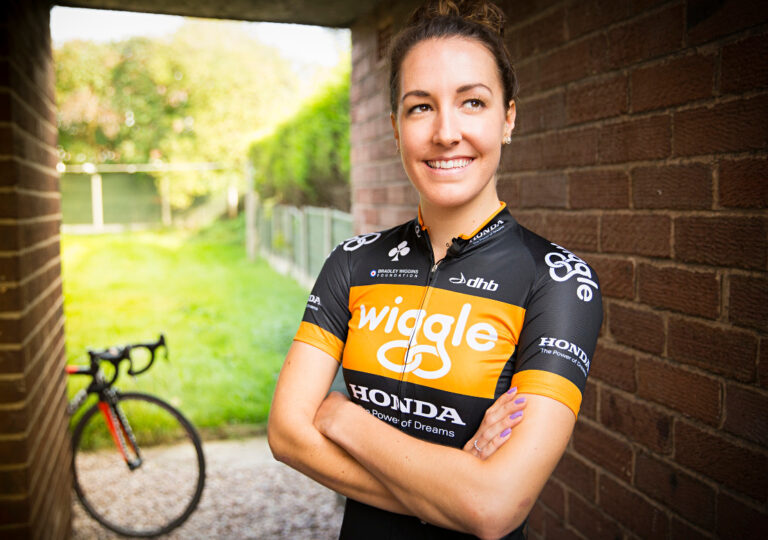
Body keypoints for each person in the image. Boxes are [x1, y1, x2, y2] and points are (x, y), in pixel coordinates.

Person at [267, 1, 603, 538]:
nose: (446, 132)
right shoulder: (351, 261)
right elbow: (287, 435)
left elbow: (495, 507)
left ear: (508, 118)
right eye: (421, 107)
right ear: (395, 128)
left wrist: (342, 418)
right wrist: (454, 491)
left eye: (472, 102)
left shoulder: (558, 280)